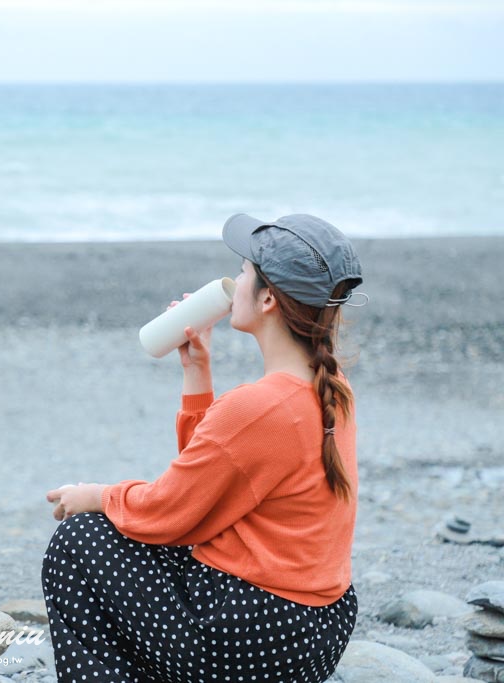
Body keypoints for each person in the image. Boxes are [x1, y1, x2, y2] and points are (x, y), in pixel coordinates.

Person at [41, 213, 368, 682]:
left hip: (250, 632)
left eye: (244, 273)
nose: (235, 282)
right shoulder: (332, 387)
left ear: (269, 297)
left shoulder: (258, 406)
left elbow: (170, 511)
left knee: (80, 541)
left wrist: (96, 497)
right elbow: (212, 490)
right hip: (316, 632)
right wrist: (197, 373)